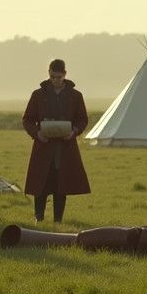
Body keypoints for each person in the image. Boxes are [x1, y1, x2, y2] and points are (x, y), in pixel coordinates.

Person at [22, 59, 91, 222]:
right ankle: (38, 218)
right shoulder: (37, 95)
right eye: (52, 77)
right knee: (41, 184)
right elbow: (27, 120)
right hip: (43, 146)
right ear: (48, 74)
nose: (55, 80)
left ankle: (58, 220)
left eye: (58, 77)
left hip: (65, 147)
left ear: (65, 75)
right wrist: (37, 133)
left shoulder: (75, 96)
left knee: (62, 184)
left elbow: (83, 119)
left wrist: (74, 132)